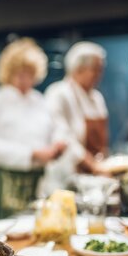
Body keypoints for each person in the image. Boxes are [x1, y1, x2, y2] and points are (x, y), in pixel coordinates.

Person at [0, 38, 66, 219]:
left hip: (40, 182)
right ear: (9, 72)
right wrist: (31, 154)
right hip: (9, 184)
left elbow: (56, 128)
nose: (25, 79)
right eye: (20, 74)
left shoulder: (38, 99)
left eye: (29, 74)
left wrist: (58, 143)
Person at [44, 41, 109, 191]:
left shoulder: (97, 98)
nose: (99, 75)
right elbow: (63, 137)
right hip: (66, 181)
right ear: (78, 69)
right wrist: (93, 165)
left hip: (95, 178)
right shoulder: (58, 93)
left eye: (100, 70)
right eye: (95, 69)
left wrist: (102, 165)